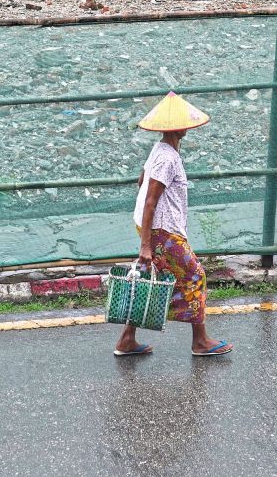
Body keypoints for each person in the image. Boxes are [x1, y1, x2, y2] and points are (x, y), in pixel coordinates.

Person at [114, 92, 232, 358]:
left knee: (151, 280)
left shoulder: (159, 150)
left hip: (156, 230)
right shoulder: (168, 158)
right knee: (194, 275)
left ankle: (126, 339)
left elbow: (141, 180)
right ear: (178, 128)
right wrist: (147, 244)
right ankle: (200, 341)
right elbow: (151, 202)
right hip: (163, 232)